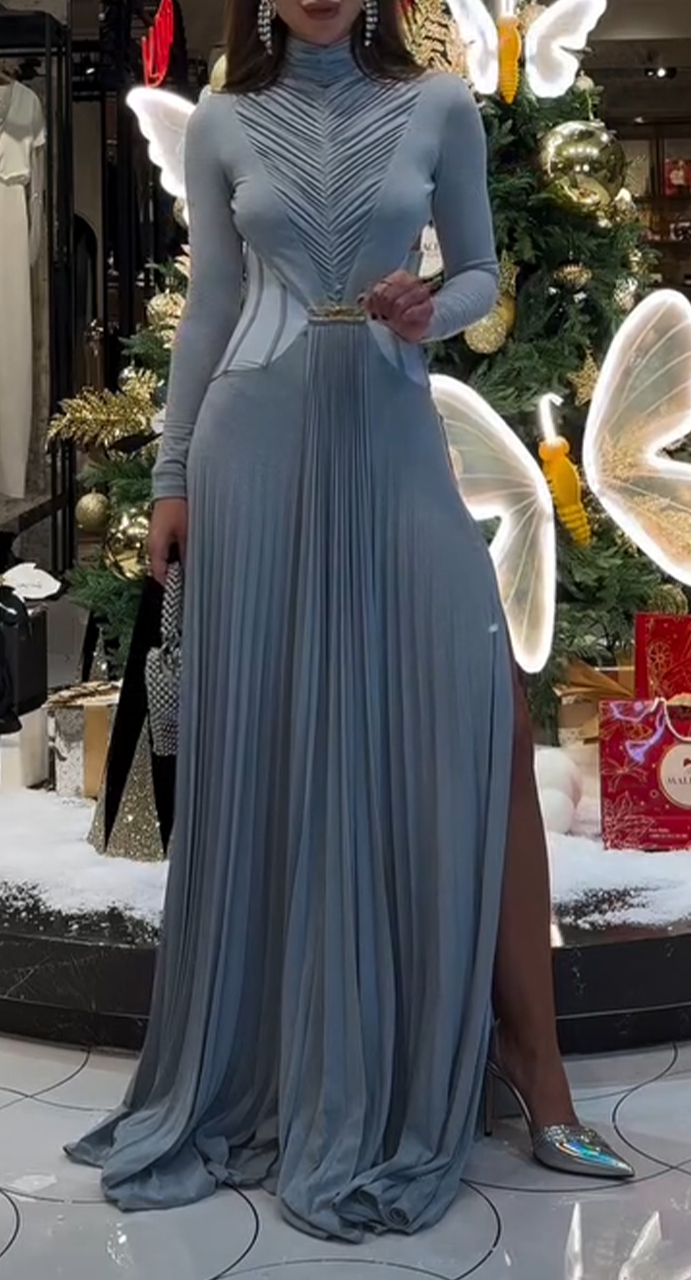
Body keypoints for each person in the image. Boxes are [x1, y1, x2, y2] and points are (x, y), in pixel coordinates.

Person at [66, 0, 633, 1239]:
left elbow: (478, 270)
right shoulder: (225, 121)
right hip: (254, 450)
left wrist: (435, 303)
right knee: (273, 742)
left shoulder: (437, 104)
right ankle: (293, 1053)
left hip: (390, 440)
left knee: (488, 717)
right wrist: (171, 476)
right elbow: (213, 303)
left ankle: (537, 1068)